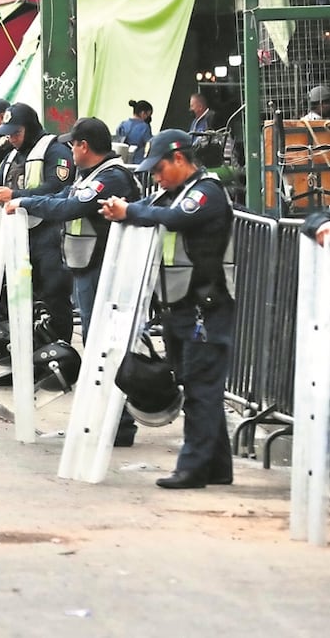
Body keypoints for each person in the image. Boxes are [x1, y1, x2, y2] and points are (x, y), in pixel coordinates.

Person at [101, 129, 235, 489]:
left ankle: (191, 468)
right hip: (181, 308)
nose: (156, 178)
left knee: (200, 388)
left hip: (205, 310)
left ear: (179, 159)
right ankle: (218, 466)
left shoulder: (205, 193)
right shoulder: (174, 194)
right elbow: (158, 212)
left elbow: (176, 219)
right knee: (198, 386)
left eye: (159, 169)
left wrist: (129, 210)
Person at [4, 117, 142, 446]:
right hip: (89, 270)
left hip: (105, 271)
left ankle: (120, 423)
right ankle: (107, 418)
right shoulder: (91, 176)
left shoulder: (111, 178)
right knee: (98, 345)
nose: (70, 150)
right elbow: (65, 197)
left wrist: (24, 201)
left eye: (73, 144)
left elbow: (69, 207)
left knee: (107, 346)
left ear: (84, 146)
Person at [0, 102, 77, 342]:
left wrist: (15, 196)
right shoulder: (13, 154)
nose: (13, 138)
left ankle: (59, 348)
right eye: (9, 134)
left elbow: (58, 188)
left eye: (17, 133)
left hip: (50, 234)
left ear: (30, 128)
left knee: (54, 294)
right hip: (18, 235)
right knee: (15, 296)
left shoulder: (55, 150)